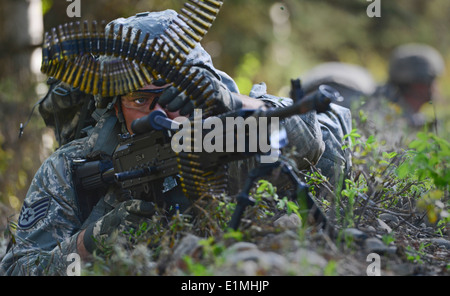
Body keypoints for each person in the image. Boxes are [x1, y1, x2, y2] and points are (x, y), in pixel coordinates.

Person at [0, 10, 351, 275]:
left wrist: (235, 103)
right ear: (114, 105)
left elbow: (307, 145)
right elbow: (17, 268)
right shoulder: (72, 166)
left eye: (176, 95)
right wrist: (89, 243)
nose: (161, 113)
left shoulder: (226, 132)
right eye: (140, 100)